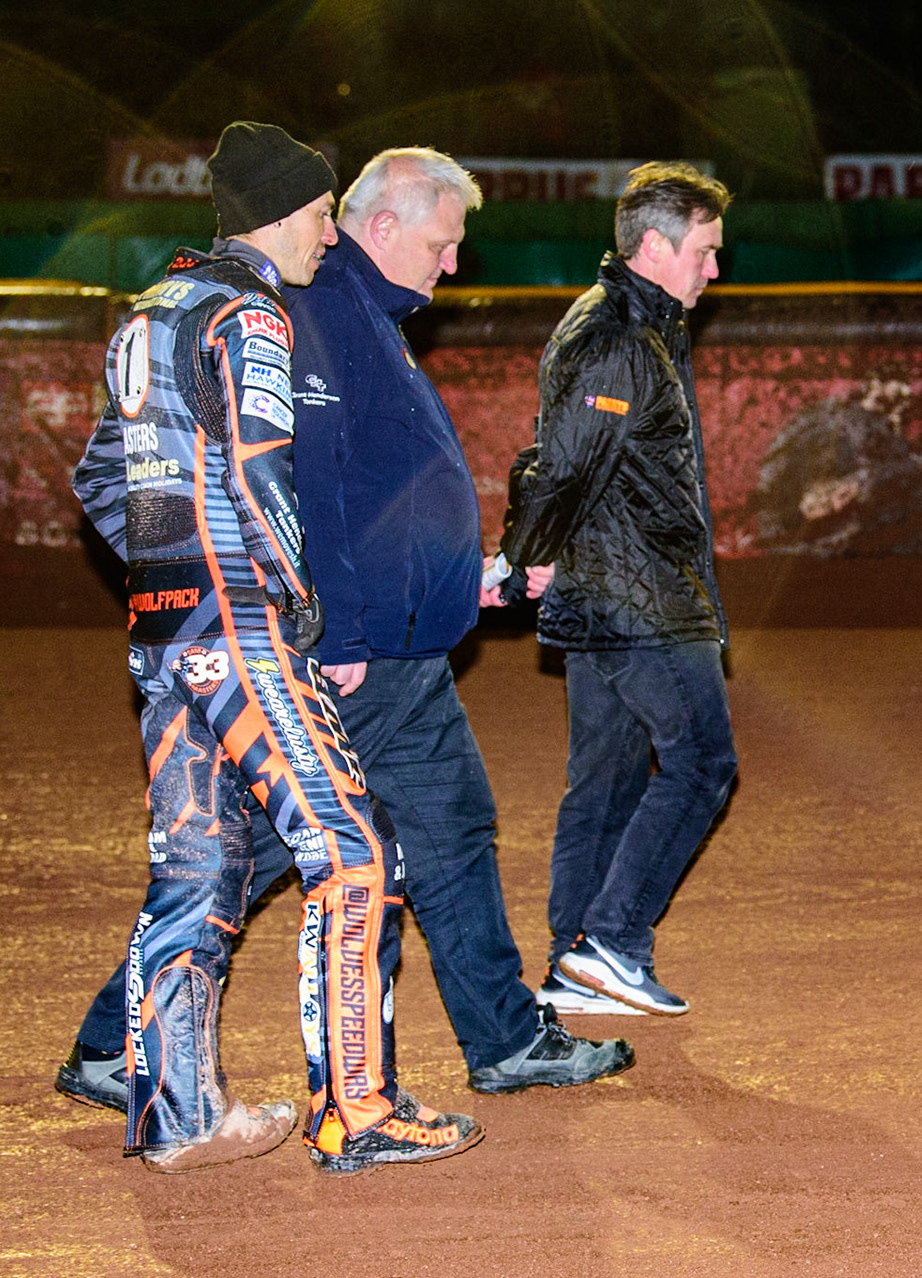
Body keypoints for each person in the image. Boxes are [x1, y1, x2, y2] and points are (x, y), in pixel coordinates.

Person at [57, 148, 633, 1114]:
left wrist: (468, 583)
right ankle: (125, 1046)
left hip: (396, 651)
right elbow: (302, 492)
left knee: (447, 829)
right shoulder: (310, 313)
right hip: (347, 655)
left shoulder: (358, 316)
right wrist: (321, 628)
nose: (453, 265)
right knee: (260, 850)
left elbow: (382, 499)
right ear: (382, 224)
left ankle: (503, 1036)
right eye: (444, 244)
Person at [69, 121, 481, 1173]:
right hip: (243, 627)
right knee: (354, 853)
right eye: (318, 215)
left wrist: (169, 577)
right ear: (285, 213)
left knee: (198, 870)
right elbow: (263, 477)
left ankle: (176, 1114)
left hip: (164, 639)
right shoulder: (253, 314)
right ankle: (358, 1109)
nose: (327, 237)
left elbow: (98, 484)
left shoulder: (148, 312)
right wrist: (289, 605)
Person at [497, 162, 738, 1017]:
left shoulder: (633, 328)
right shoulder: (618, 339)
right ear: (655, 245)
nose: (715, 269)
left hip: (607, 590)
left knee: (604, 781)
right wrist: (520, 555)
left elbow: (566, 464)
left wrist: (535, 553)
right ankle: (610, 942)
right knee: (704, 764)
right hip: (639, 600)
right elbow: (560, 466)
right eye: (705, 252)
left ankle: (576, 962)